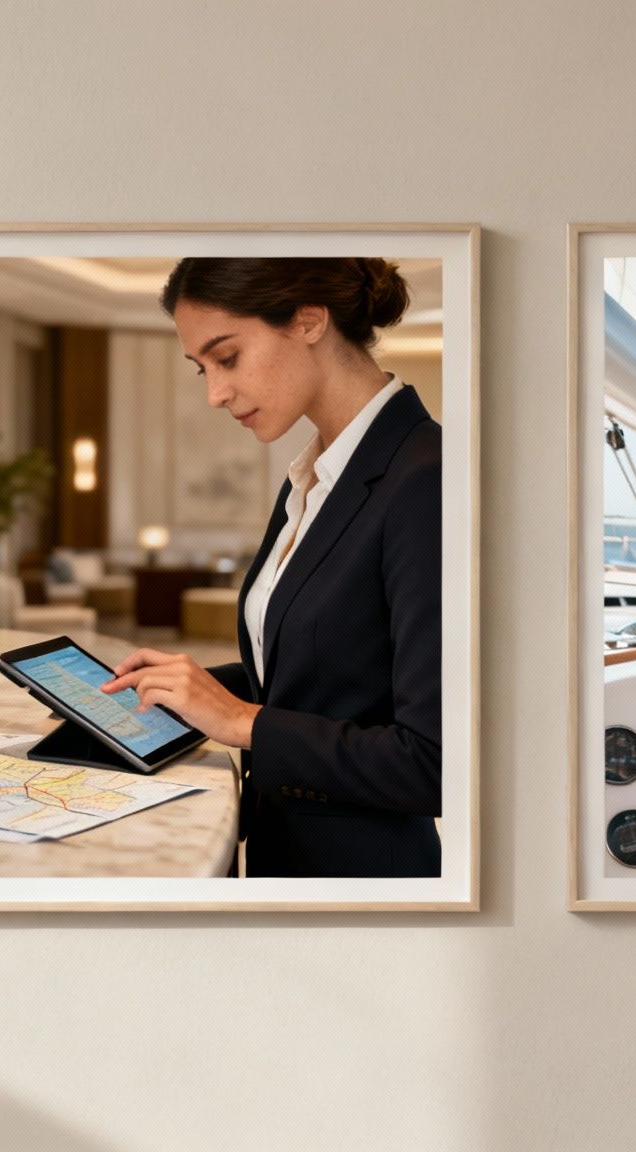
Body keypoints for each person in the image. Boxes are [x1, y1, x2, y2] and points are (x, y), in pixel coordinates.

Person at [99, 258, 441, 878]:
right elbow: (319, 679)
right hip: (286, 868)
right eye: (202, 369)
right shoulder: (311, 481)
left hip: (365, 895)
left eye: (226, 358)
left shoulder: (426, 478)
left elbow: (432, 761)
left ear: (309, 321)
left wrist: (235, 718)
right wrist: (187, 686)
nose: (215, 393)